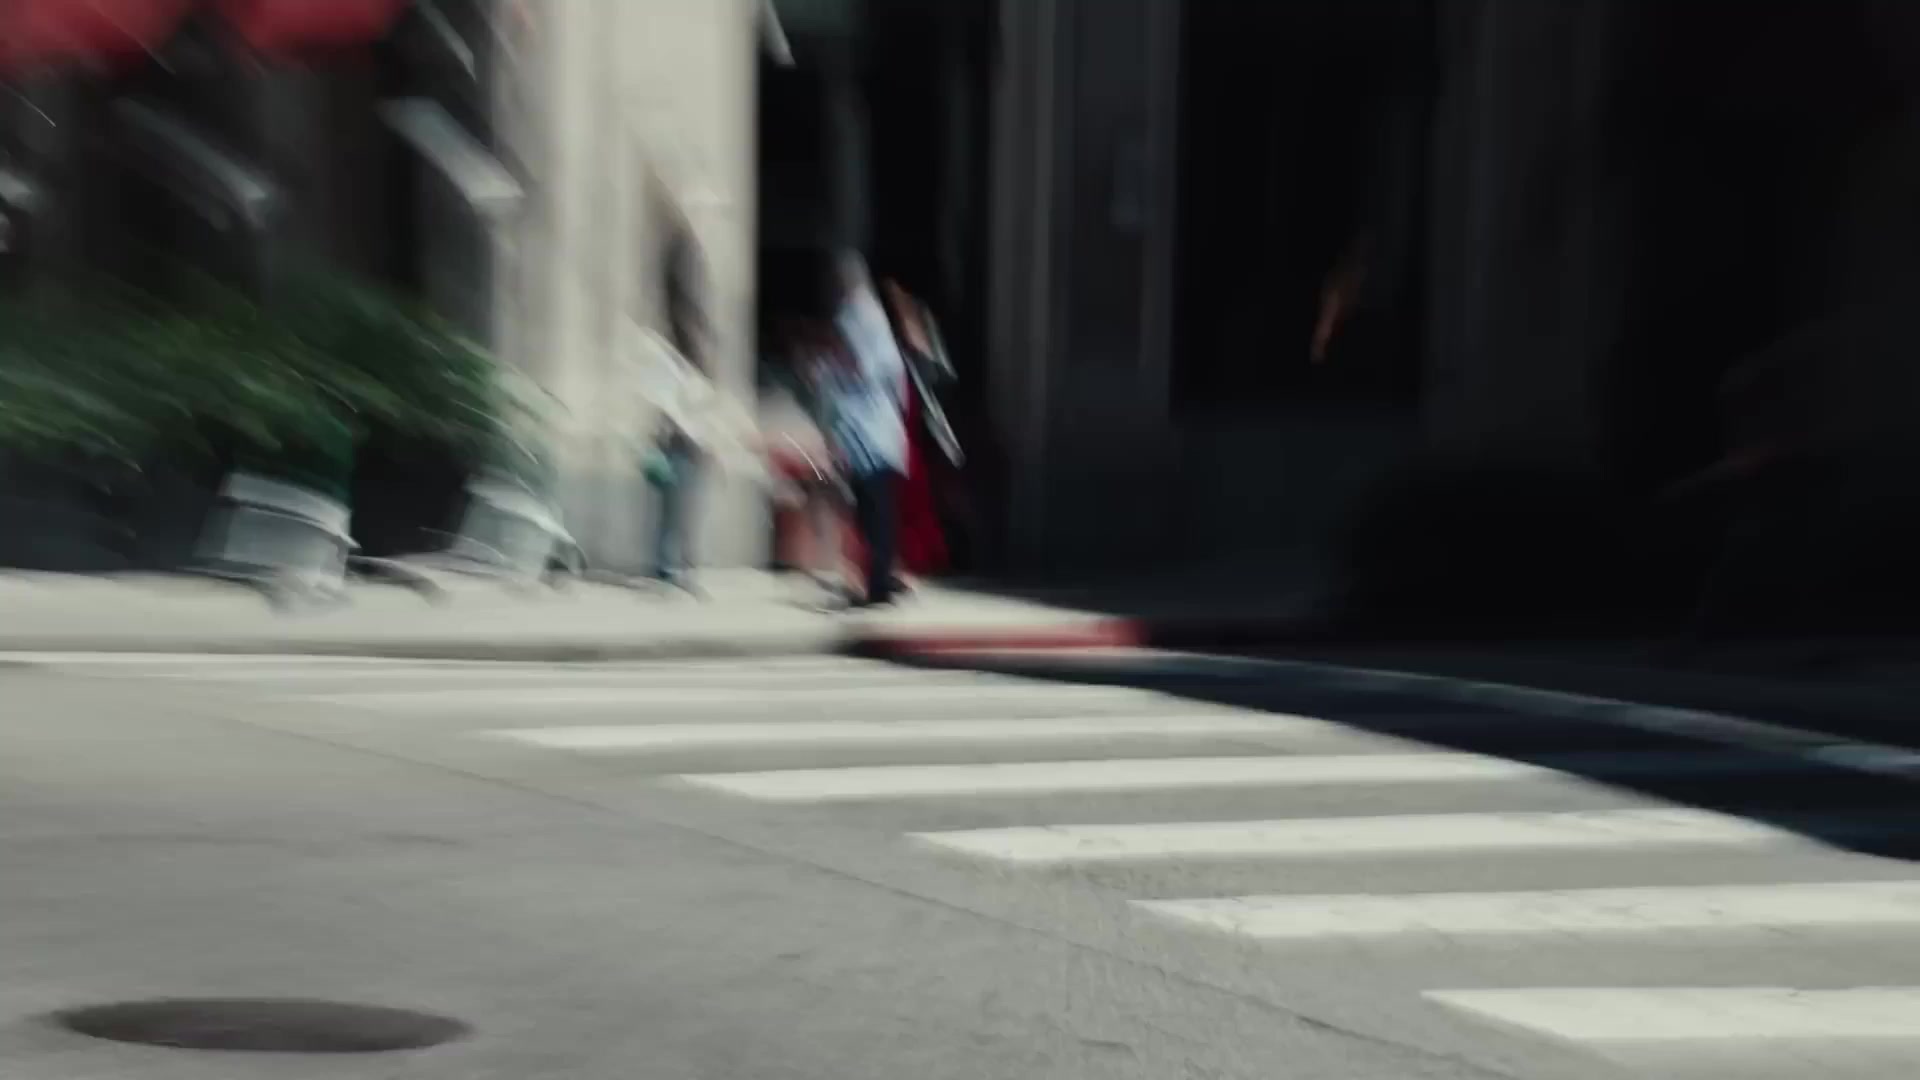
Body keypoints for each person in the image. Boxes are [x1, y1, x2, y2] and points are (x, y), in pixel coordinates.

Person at [818, 251, 910, 607]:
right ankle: (880, 578)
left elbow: (861, 364)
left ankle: (879, 582)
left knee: (873, 508)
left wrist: (831, 366)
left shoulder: (859, 316)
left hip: (868, 428)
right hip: (870, 428)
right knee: (874, 508)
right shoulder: (866, 315)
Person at [644, 198, 708, 588]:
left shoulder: (686, 355)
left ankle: (678, 564)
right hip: (677, 438)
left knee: (682, 505)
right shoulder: (667, 352)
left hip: (687, 437)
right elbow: (663, 399)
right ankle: (670, 567)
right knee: (675, 504)